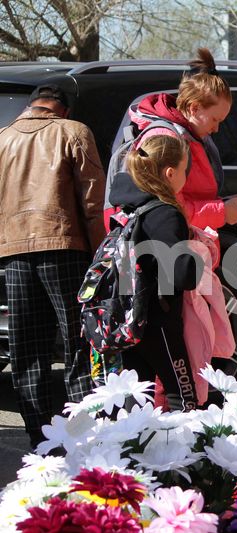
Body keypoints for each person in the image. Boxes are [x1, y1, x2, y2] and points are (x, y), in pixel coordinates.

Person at [0, 84, 105, 449]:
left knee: (26, 351)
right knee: (79, 342)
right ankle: (82, 437)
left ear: (32, 107)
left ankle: (39, 441)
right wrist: (100, 254)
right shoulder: (73, 131)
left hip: (12, 253)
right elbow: (93, 200)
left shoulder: (3, 138)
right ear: (63, 109)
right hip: (65, 246)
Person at [108, 134, 201, 411]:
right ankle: (189, 453)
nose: (186, 176)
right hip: (159, 319)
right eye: (185, 170)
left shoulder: (128, 208)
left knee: (137, 398)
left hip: (129, 317)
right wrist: (198, 253)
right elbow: (183, 274)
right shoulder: (164, 214)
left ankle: (133, 450)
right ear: (171, 174)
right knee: (183, 395)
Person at [116, 47, 237, 230]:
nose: (217, 128)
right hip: (167, 250)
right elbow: (165, 210)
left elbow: (188, 197)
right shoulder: (165, 140)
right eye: (214, 119)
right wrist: (222, 211)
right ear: (194, 108)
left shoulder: (191, 136)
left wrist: (225, 204)